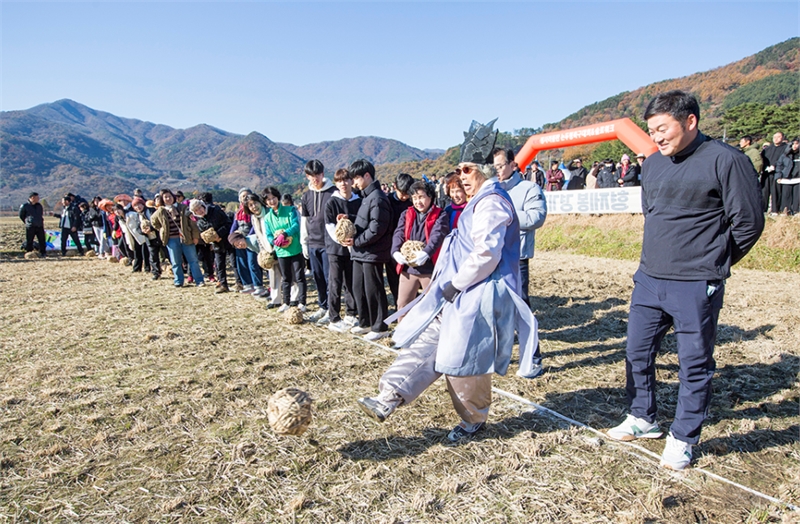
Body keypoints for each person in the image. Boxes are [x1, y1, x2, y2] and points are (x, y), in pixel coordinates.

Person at [357, 119, 543, 442]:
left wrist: (457, 283)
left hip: (478, 294)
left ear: (484, 169)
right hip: (457, 292)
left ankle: (473, 421)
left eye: (467, 170)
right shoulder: (479, 200)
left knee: (462, 361)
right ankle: (388, 396)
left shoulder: (493, 202)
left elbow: (487, 253)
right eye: (459, 170)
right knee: (428, 343)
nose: (462, 177)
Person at [606, 90, 764, 470]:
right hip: (649, 278)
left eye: (662, 129)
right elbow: (652, 212)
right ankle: (642, 416)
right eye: (651, 130)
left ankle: (683, 437)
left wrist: (713, 262)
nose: (656, 137)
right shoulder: (654, 164)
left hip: (695, 283)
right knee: (637, 352)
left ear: (690, 121)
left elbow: (749, 223)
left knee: (694, 363)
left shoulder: (727, 160)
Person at [343, 159, 392, 341]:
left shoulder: (378, 197)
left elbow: (377, 229)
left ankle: (380, 326)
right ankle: (365, 322)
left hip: (373, 252)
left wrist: (356, 241)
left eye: (356, 178)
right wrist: (350, 217)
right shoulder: (367, 197)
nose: (354, 183)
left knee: (374, 290)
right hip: (361, 252)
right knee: (359, 288)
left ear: (367, 176)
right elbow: (366, 221)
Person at [493, 147, 548, 306]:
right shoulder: (490, 189)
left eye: (500, 166)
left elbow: (536, 218)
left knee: (519, 303)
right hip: (491, 254)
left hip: (518, 256)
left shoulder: (529, 188)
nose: (496, 171)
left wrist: (503, 215)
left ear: (512, 165)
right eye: (493, 167)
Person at [390, 180, 449, 313]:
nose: (418, 202)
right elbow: (398, 233)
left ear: (430, 197)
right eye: (415, 198)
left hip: (429, 269)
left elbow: (438, 235)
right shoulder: (406, 214)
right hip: (408, 268)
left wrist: (426, 252)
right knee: (403, 305)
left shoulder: (440, 214)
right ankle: (403, 326)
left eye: (421, 197)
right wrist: (395, 251)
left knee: (432, 307)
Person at [324, 168, 362, 332]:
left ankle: (351, 313)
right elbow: (329, 226)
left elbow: (361, 221)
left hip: (353, 248)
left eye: (346, 180)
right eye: (339, 181)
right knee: (335, 282)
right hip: (335, 249)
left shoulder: (358, 201)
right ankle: (334, 317)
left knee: (351, 282)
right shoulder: (332, 202)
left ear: (351, 181)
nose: (343, 184)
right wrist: (341, 239)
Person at [300, 160, 336, 323]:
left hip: (329, 243)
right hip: (313, 243)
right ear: (307, 176)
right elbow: (305, 220)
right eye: (311, 175)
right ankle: (322, 306)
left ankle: (331, 309)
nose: (315, 179)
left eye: (318, 175)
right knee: (318, 277)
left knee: (330, 278)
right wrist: (304, 241)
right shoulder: (306, 195)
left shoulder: (333, 192)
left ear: (323, 174)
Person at [261, 188, 307, 313]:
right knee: (286, 278)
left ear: (278, 197)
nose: (272, 201)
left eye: (273, 198)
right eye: (268, 199)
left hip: (295, 248)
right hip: (281, 251)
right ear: (265, 202)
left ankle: (302, 302)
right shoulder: (267, 218)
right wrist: (274, 241)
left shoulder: (290, 210)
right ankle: (286, 302)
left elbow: (296, 225)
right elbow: (268, 234)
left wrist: (285, 234)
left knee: (299, 277)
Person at [150, 189, 205, 288]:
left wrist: (195, 236)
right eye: (165, 197)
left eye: (170, 196)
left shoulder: (183, 208)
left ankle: (199, 280)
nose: (168, 199)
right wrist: (162, 229)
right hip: (171, 239)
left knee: (193, 260)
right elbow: (153, 221)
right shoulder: (161, 211)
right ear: (162, 199)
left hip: (186, 237)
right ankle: (178, 281)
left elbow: (192, 223)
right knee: (175, 262)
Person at [190, 198, 232, 293]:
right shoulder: (200, 222)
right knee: (219, 265)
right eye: (196, 210)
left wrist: (219, 234)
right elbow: (205, 235)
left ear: (203, 205)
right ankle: (223, 284)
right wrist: (212, 240)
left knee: (234, 263)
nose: (199, 211)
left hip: (228, 240)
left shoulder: (215, 210)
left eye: (199, 208)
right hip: (216, 244)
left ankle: (239, 283)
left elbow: (228, 224)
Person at [385, 173, 414, 309]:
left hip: (409, 245)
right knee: (393, 276)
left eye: (407, 194)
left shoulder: (412, 202)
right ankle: (399, 304)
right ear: (394, 186)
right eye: (402, 193)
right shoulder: (387, 201)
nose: (404, 197)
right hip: (391, 244)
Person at [761, 131, 787, 214]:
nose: (776, 139)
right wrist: (765, 166)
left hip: (777, 173)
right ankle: (763, 209)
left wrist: (775, 166)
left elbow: (784, 160)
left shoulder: (785, 148)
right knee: (764, 191)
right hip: (766, 172)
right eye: (774, 137)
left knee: (776, 191)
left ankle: (775, 210)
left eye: (778, 137)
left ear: (782, 138)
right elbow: (762, 159)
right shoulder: (767, 149)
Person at [775, 137, 800, 215]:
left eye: (797, 144)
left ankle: (796, 211)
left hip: (798, 179)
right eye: (793, 144)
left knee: (797, 197)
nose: (794, 146)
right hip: (786, 179)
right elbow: (779, 165)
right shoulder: (785, 155)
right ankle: (785, 211)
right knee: (786, 196)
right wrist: (778, 176)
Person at [19, 192, 46, 257]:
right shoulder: (25, 206)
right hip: (30, 226)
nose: (38, 199)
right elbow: (21, 215)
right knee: (29, 240)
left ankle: (43, 252)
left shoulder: (39, 206)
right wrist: (27, 222)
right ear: (32, 197)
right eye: (37, 197)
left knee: (42, 240)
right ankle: (29, 253)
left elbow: (40, 214)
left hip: (39, 225)